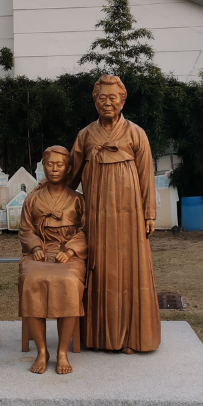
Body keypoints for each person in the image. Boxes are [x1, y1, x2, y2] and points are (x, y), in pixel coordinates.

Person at [69, 74, 161, 353]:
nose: (107, 103)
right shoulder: (85, 135)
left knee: (130, 268)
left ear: (122, 101)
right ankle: (98, 336)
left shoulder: (136, 133)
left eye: (113, 98)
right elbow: (71, 174)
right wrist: (50, 190)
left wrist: (149, 214)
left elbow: (147, 176)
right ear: (94, 101)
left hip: (130, 214)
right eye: (101, 98)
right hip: (97, 215)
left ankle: (134, 337)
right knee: (101, 267)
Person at [19, 146, 87, 374]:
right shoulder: (33, 199)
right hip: (39, 254)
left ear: (69, 169)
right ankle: (41, 350)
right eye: (50, 164)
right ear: (43, 167)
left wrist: (69, 251)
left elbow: (85, 231)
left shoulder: (78, 200)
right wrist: (36, 246)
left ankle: (62, 352)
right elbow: (25, 229)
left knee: (69, 282)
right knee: (31, 279)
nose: (55, 168)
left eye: (60, 164)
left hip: (68, 256)